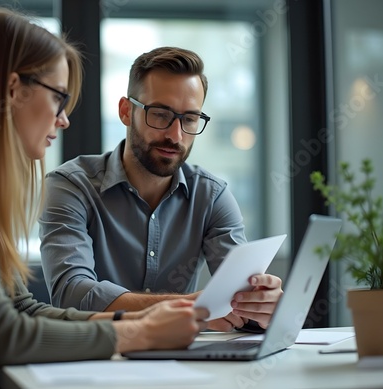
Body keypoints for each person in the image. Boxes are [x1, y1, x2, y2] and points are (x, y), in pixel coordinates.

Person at [0, 10, 210, 388]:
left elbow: (20, 309)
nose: (64, 119)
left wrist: (139, 320)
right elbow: (2, 335)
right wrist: (142, 334)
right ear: (12, 90)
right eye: (59, 98)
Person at [40, 46, 283, 332]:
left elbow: (239, 295)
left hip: (184, 365)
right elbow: (73, 294)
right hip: (96, 360)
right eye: (160, 114)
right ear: (126, 111)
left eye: (189, 119)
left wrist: (261, 307)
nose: (175, 135)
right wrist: (190, 308)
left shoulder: (211, 196)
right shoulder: (70, 186)